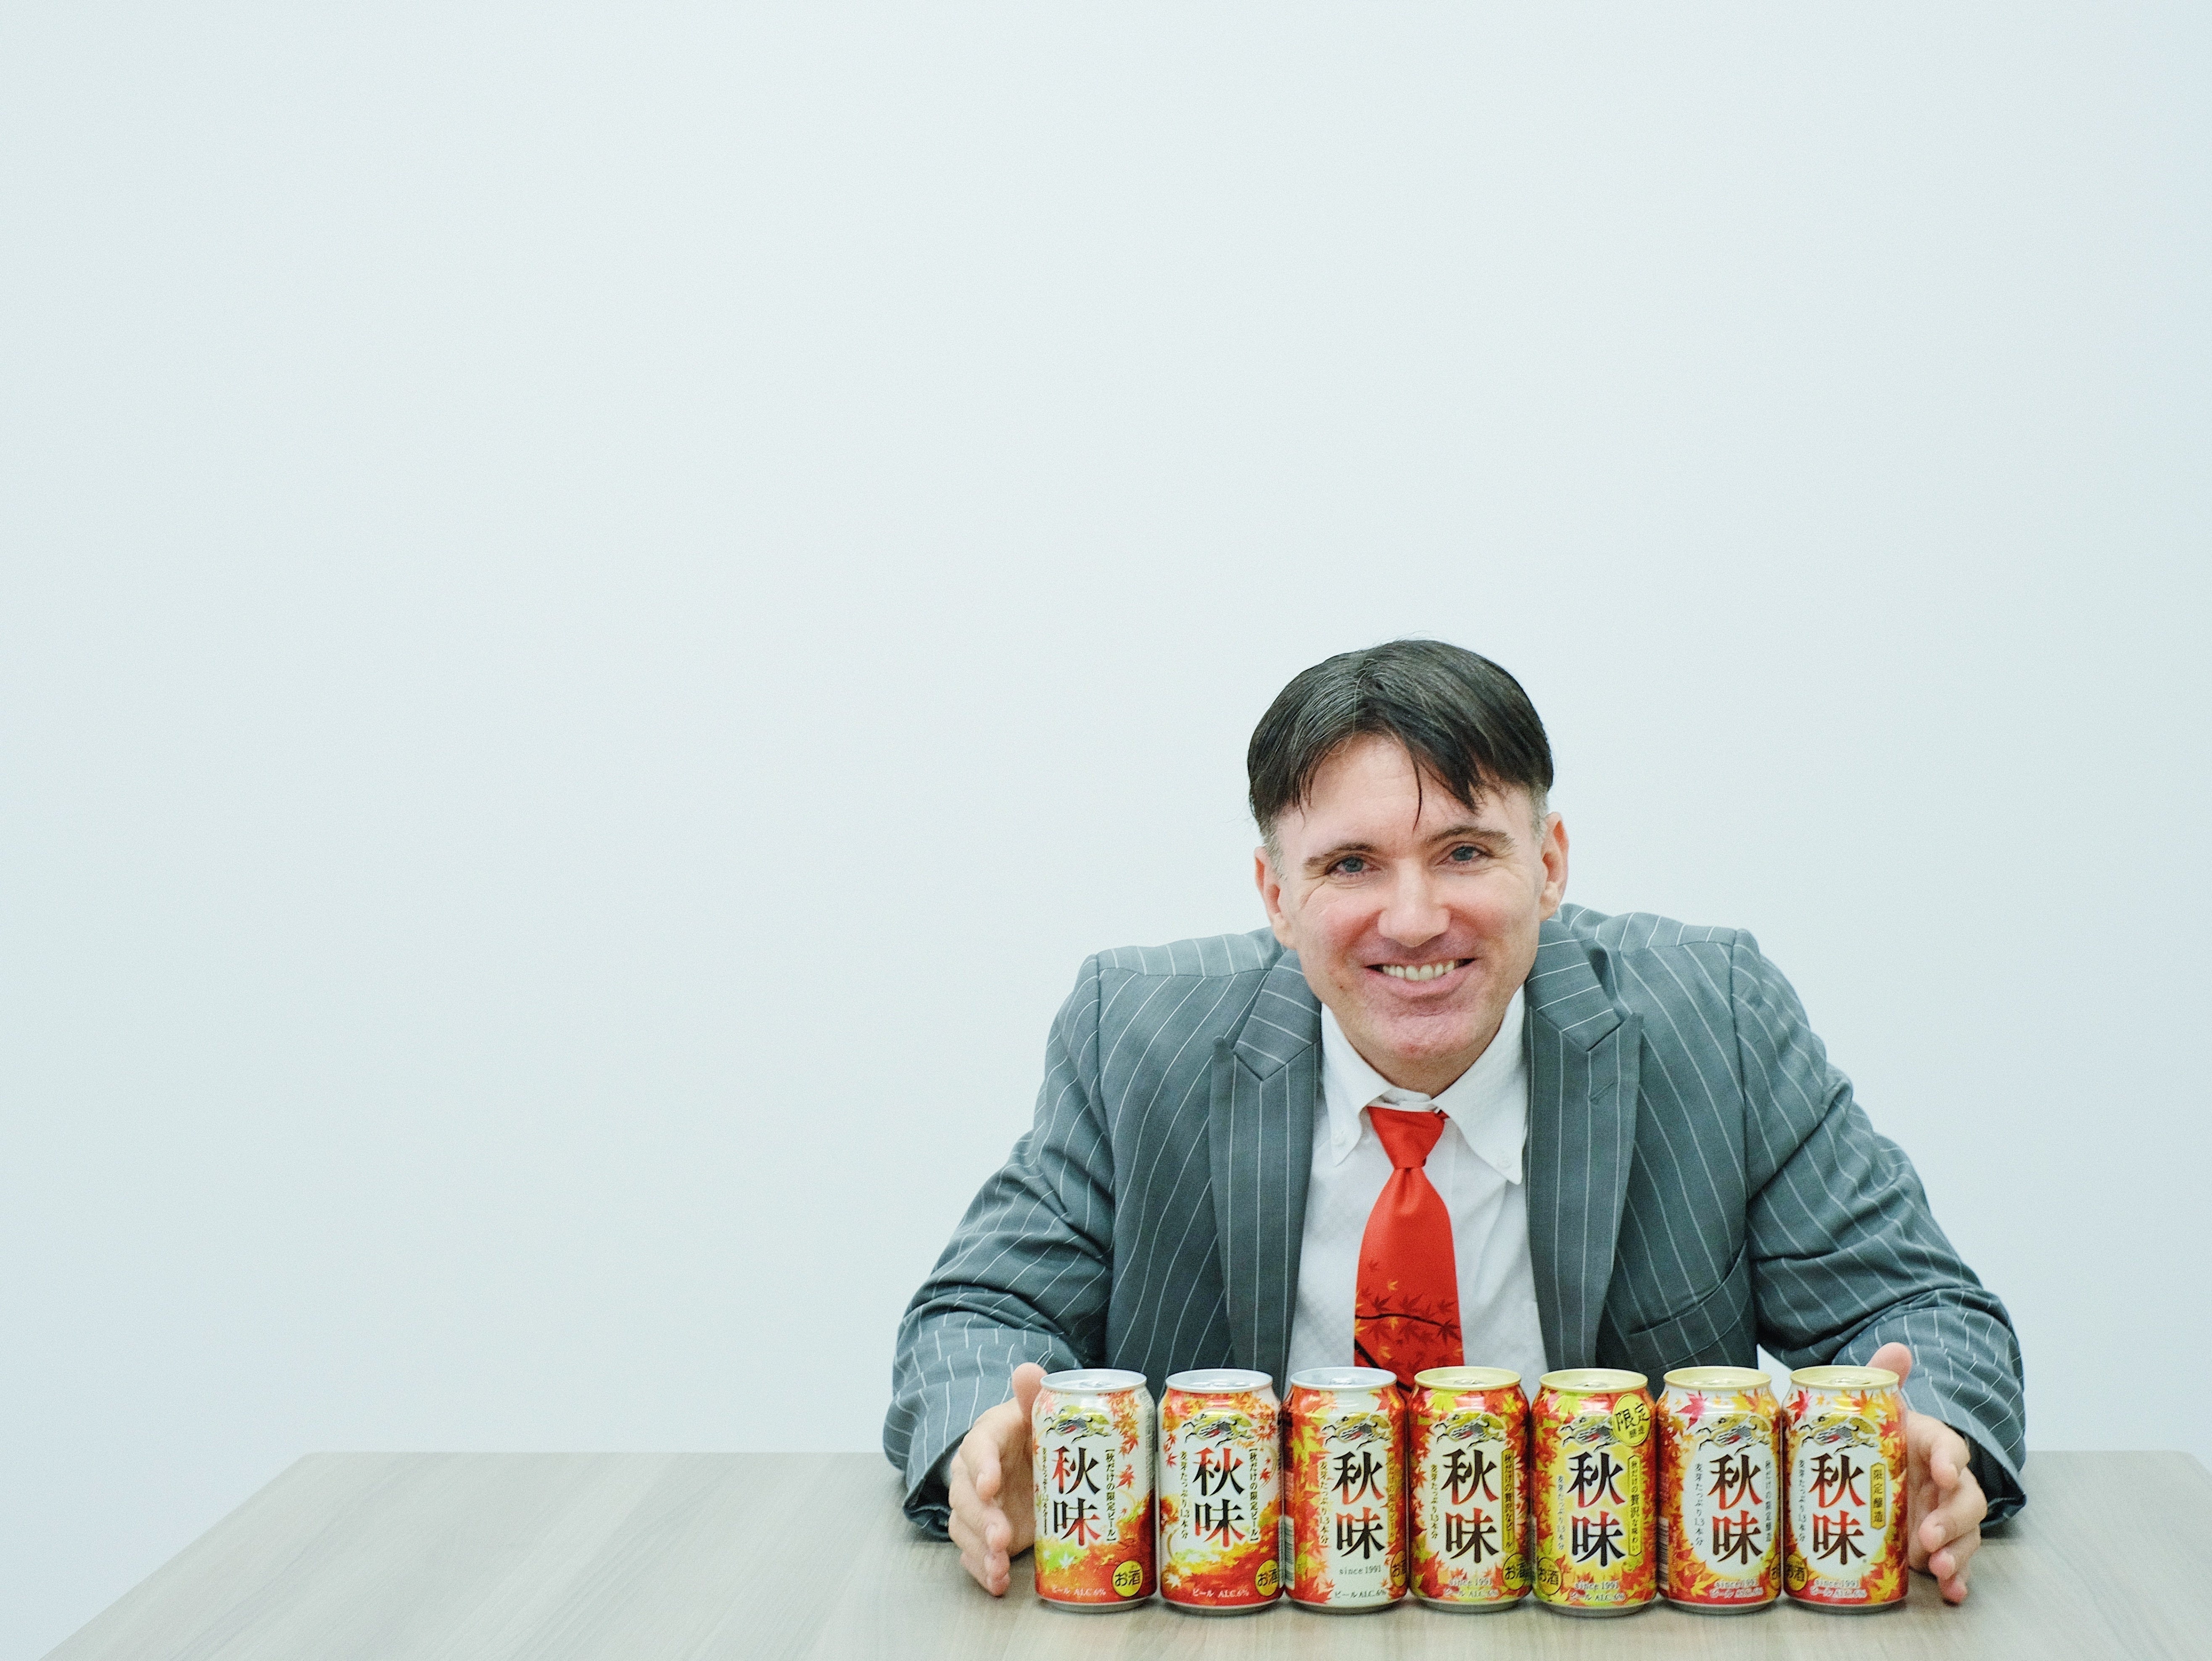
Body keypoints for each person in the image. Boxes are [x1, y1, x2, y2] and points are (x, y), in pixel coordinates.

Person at [883, 639, 2023, 1606]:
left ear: (1550, 864)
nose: (1416, 918)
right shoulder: (1137, 1033)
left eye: (1466, 853)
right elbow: (974, 1317)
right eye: (1351, 865)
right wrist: (990, 1450)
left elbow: (1926, 1311)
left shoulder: (1713, 1018)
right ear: (1277, 897)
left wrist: (1933, 1442)